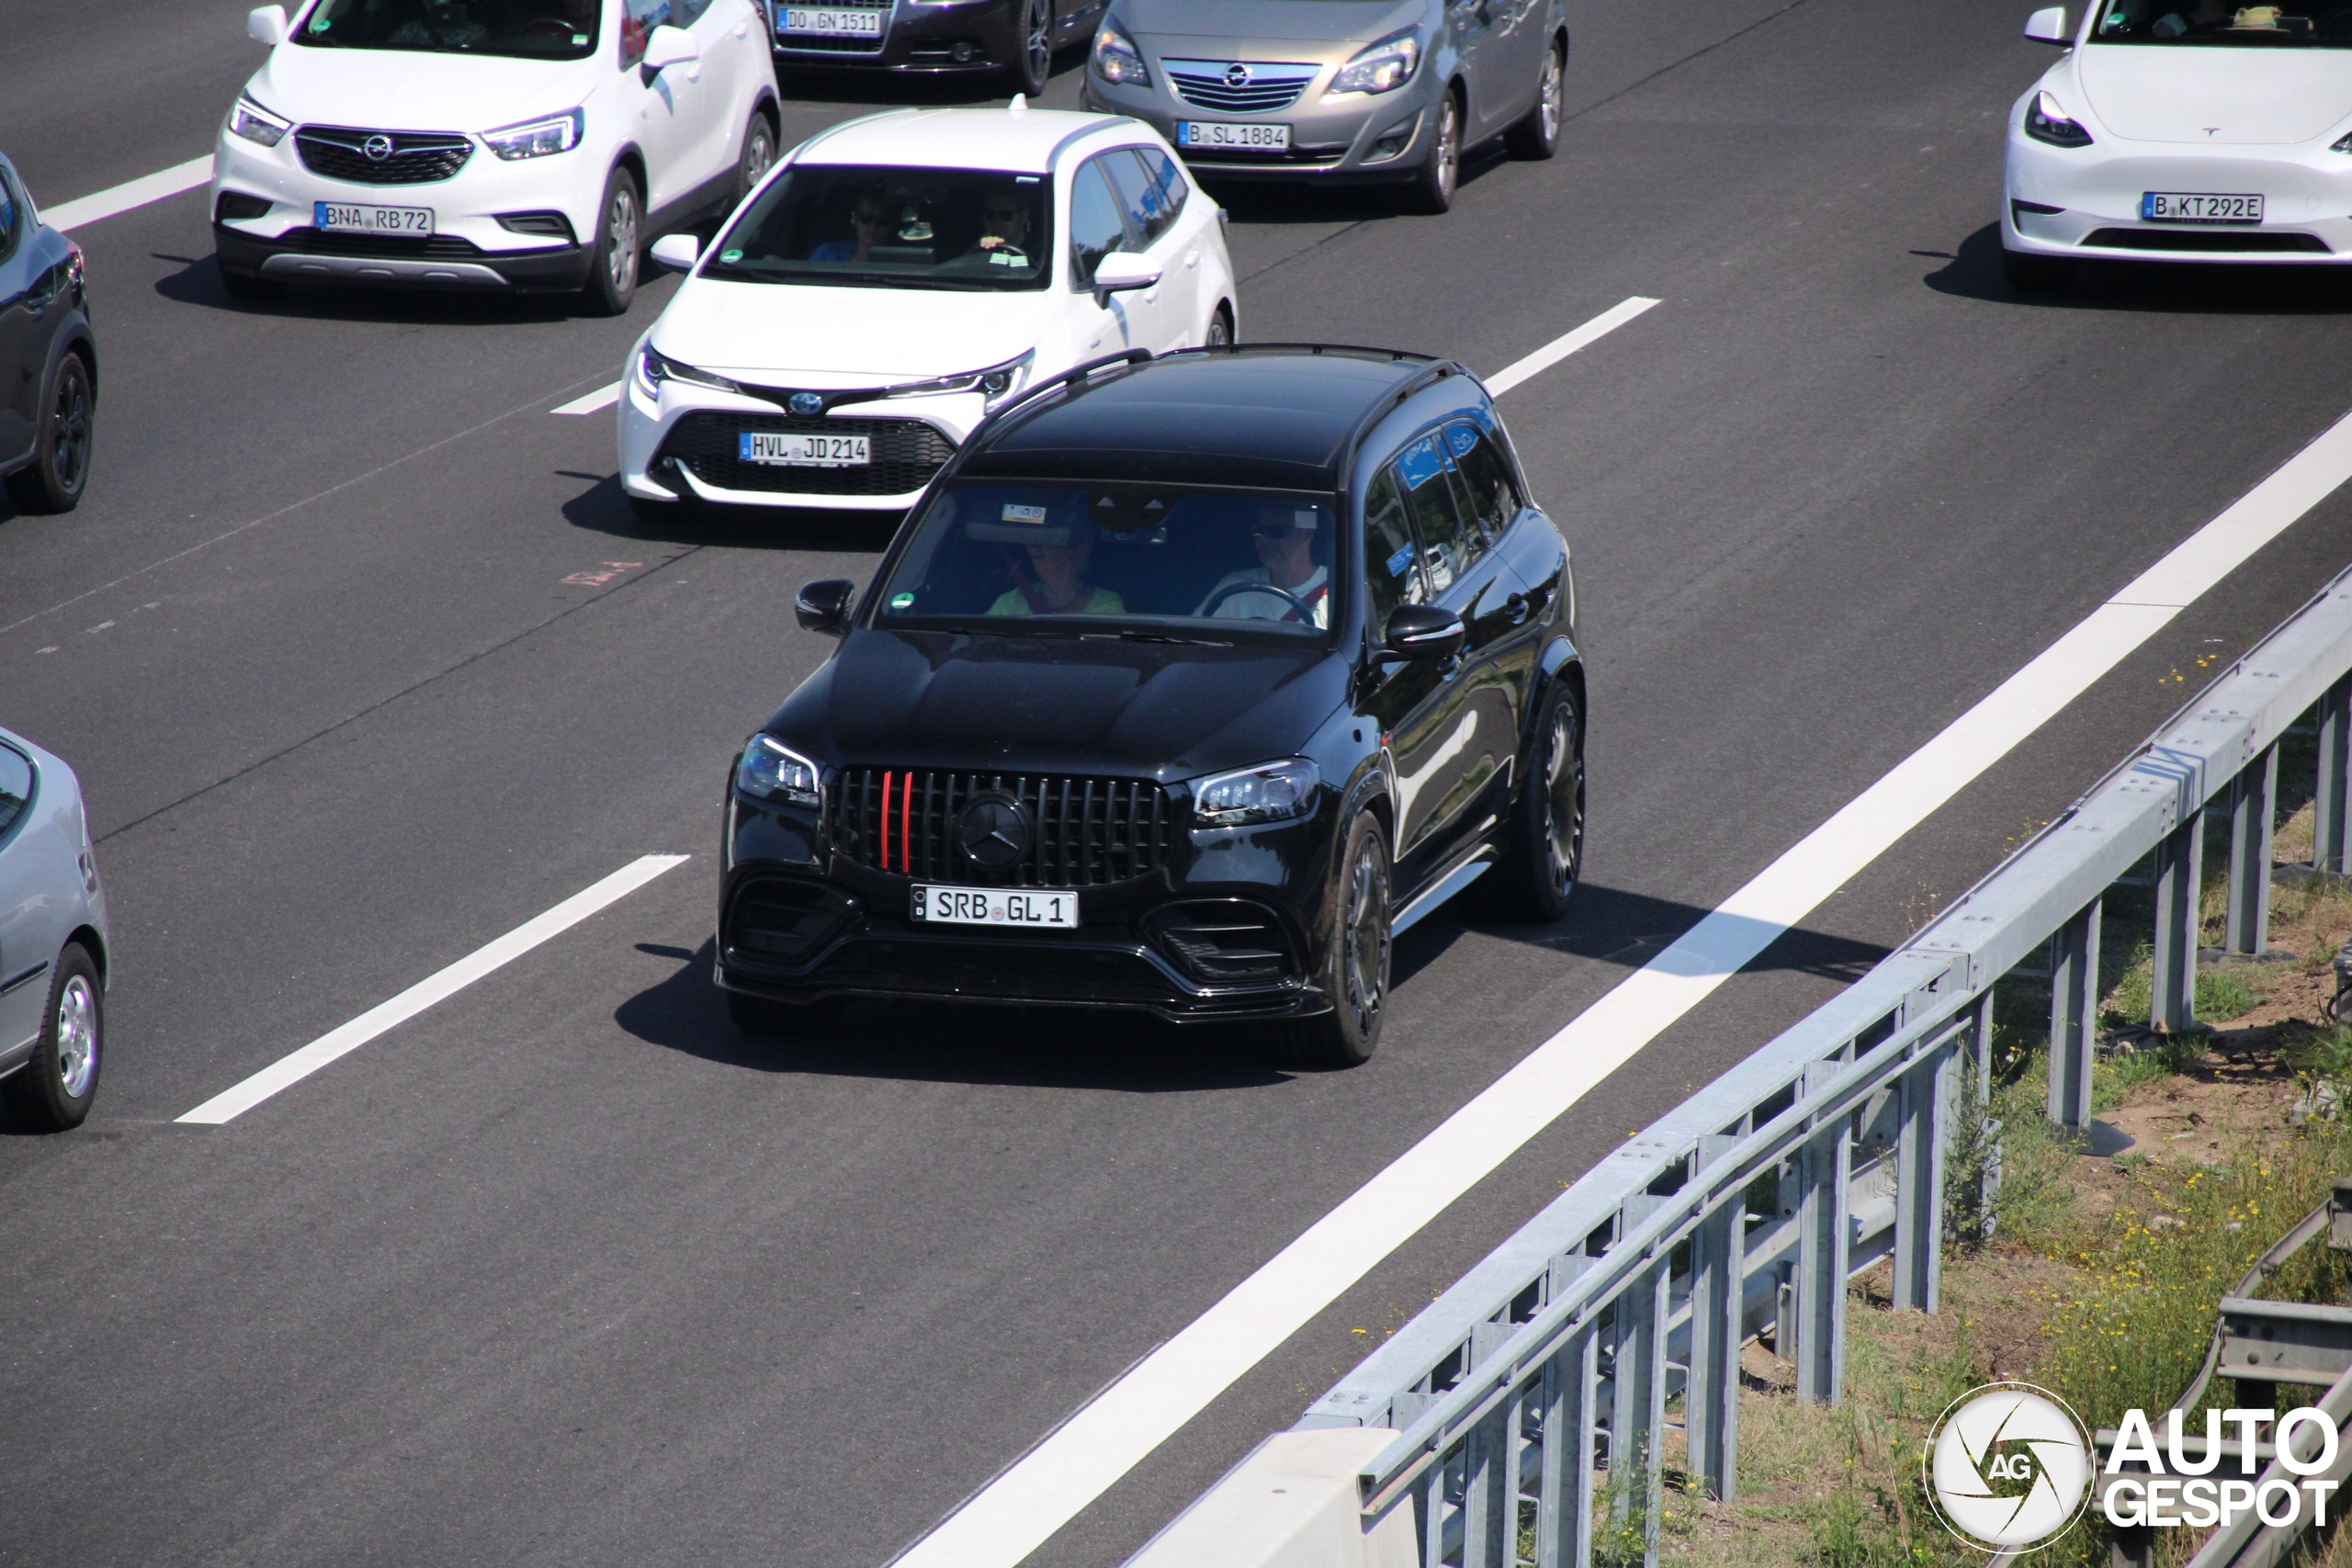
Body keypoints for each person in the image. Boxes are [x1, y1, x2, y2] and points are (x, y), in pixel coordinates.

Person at [1197, 504, 1329, 627]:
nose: (1264, 539)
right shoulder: (1234, 587)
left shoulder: (1336, 591)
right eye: (1258, 531)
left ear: (1307, 534)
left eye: (1277, 531)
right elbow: (1196, 638)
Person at [988, 529, 1125, 616]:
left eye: (1045, 537)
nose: (1033, 545)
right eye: (1031, 537)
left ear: (1074, 549)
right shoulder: (1009, 602)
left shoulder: (1107, 607)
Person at [810, 190, 893, 264]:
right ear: (854, 219)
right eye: (865, 217)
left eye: (882, 220)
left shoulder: (900, 263)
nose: (873, 226)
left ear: (891, 225)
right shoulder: (827, 253)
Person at [967, 188, 1033, 265]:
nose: (996, 222)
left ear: (1023, 217)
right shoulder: (976, 245)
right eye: (990, 214)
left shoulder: (1040, 252)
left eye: (1005, 215)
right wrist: (977, 249)